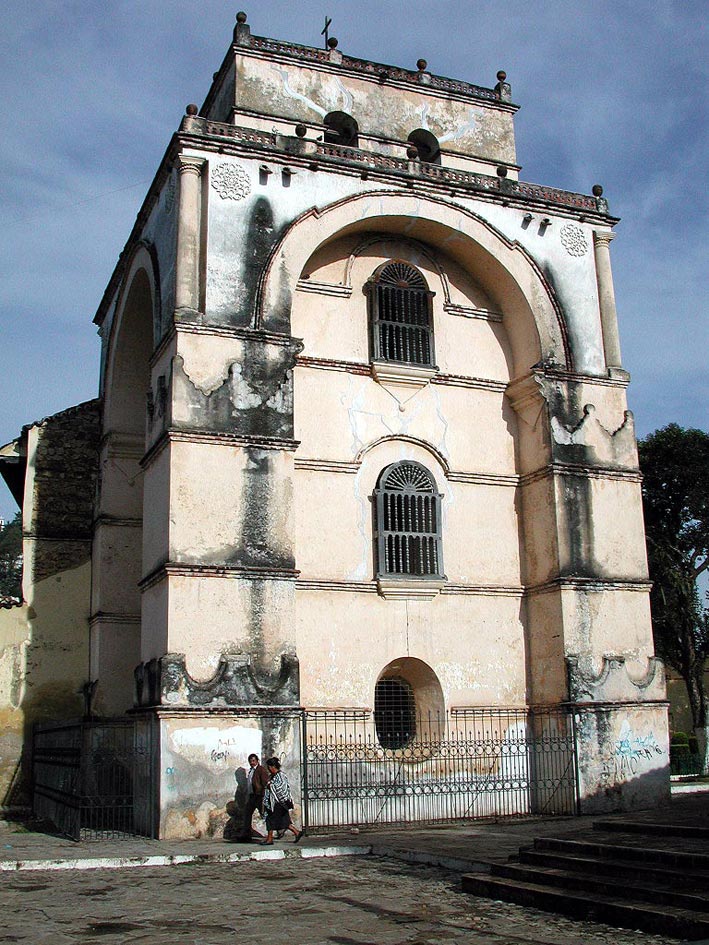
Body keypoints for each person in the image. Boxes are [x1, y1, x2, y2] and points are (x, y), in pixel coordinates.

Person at [260, 757, 303, 845]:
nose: (268, 769)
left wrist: (270, 786)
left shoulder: (281, 776)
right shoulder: (272, 776)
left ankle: (270, 839)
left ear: (273, 766)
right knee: (283, 821)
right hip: (272, 803)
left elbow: (281, 789)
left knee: (271, 820)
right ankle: (296, 832)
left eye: (269, 767)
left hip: (278, 803)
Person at [242, 753, 270, 841]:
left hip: (259, 796)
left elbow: (265, 782)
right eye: (250, 761)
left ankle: (276, 831)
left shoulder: (261, 770)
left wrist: (263, 796)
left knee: (265, 815)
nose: (252, 763)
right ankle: (246, 834)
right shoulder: (251, 771)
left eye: (253, 761)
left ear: (257, 761)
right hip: (252, 796)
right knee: (247, 813)